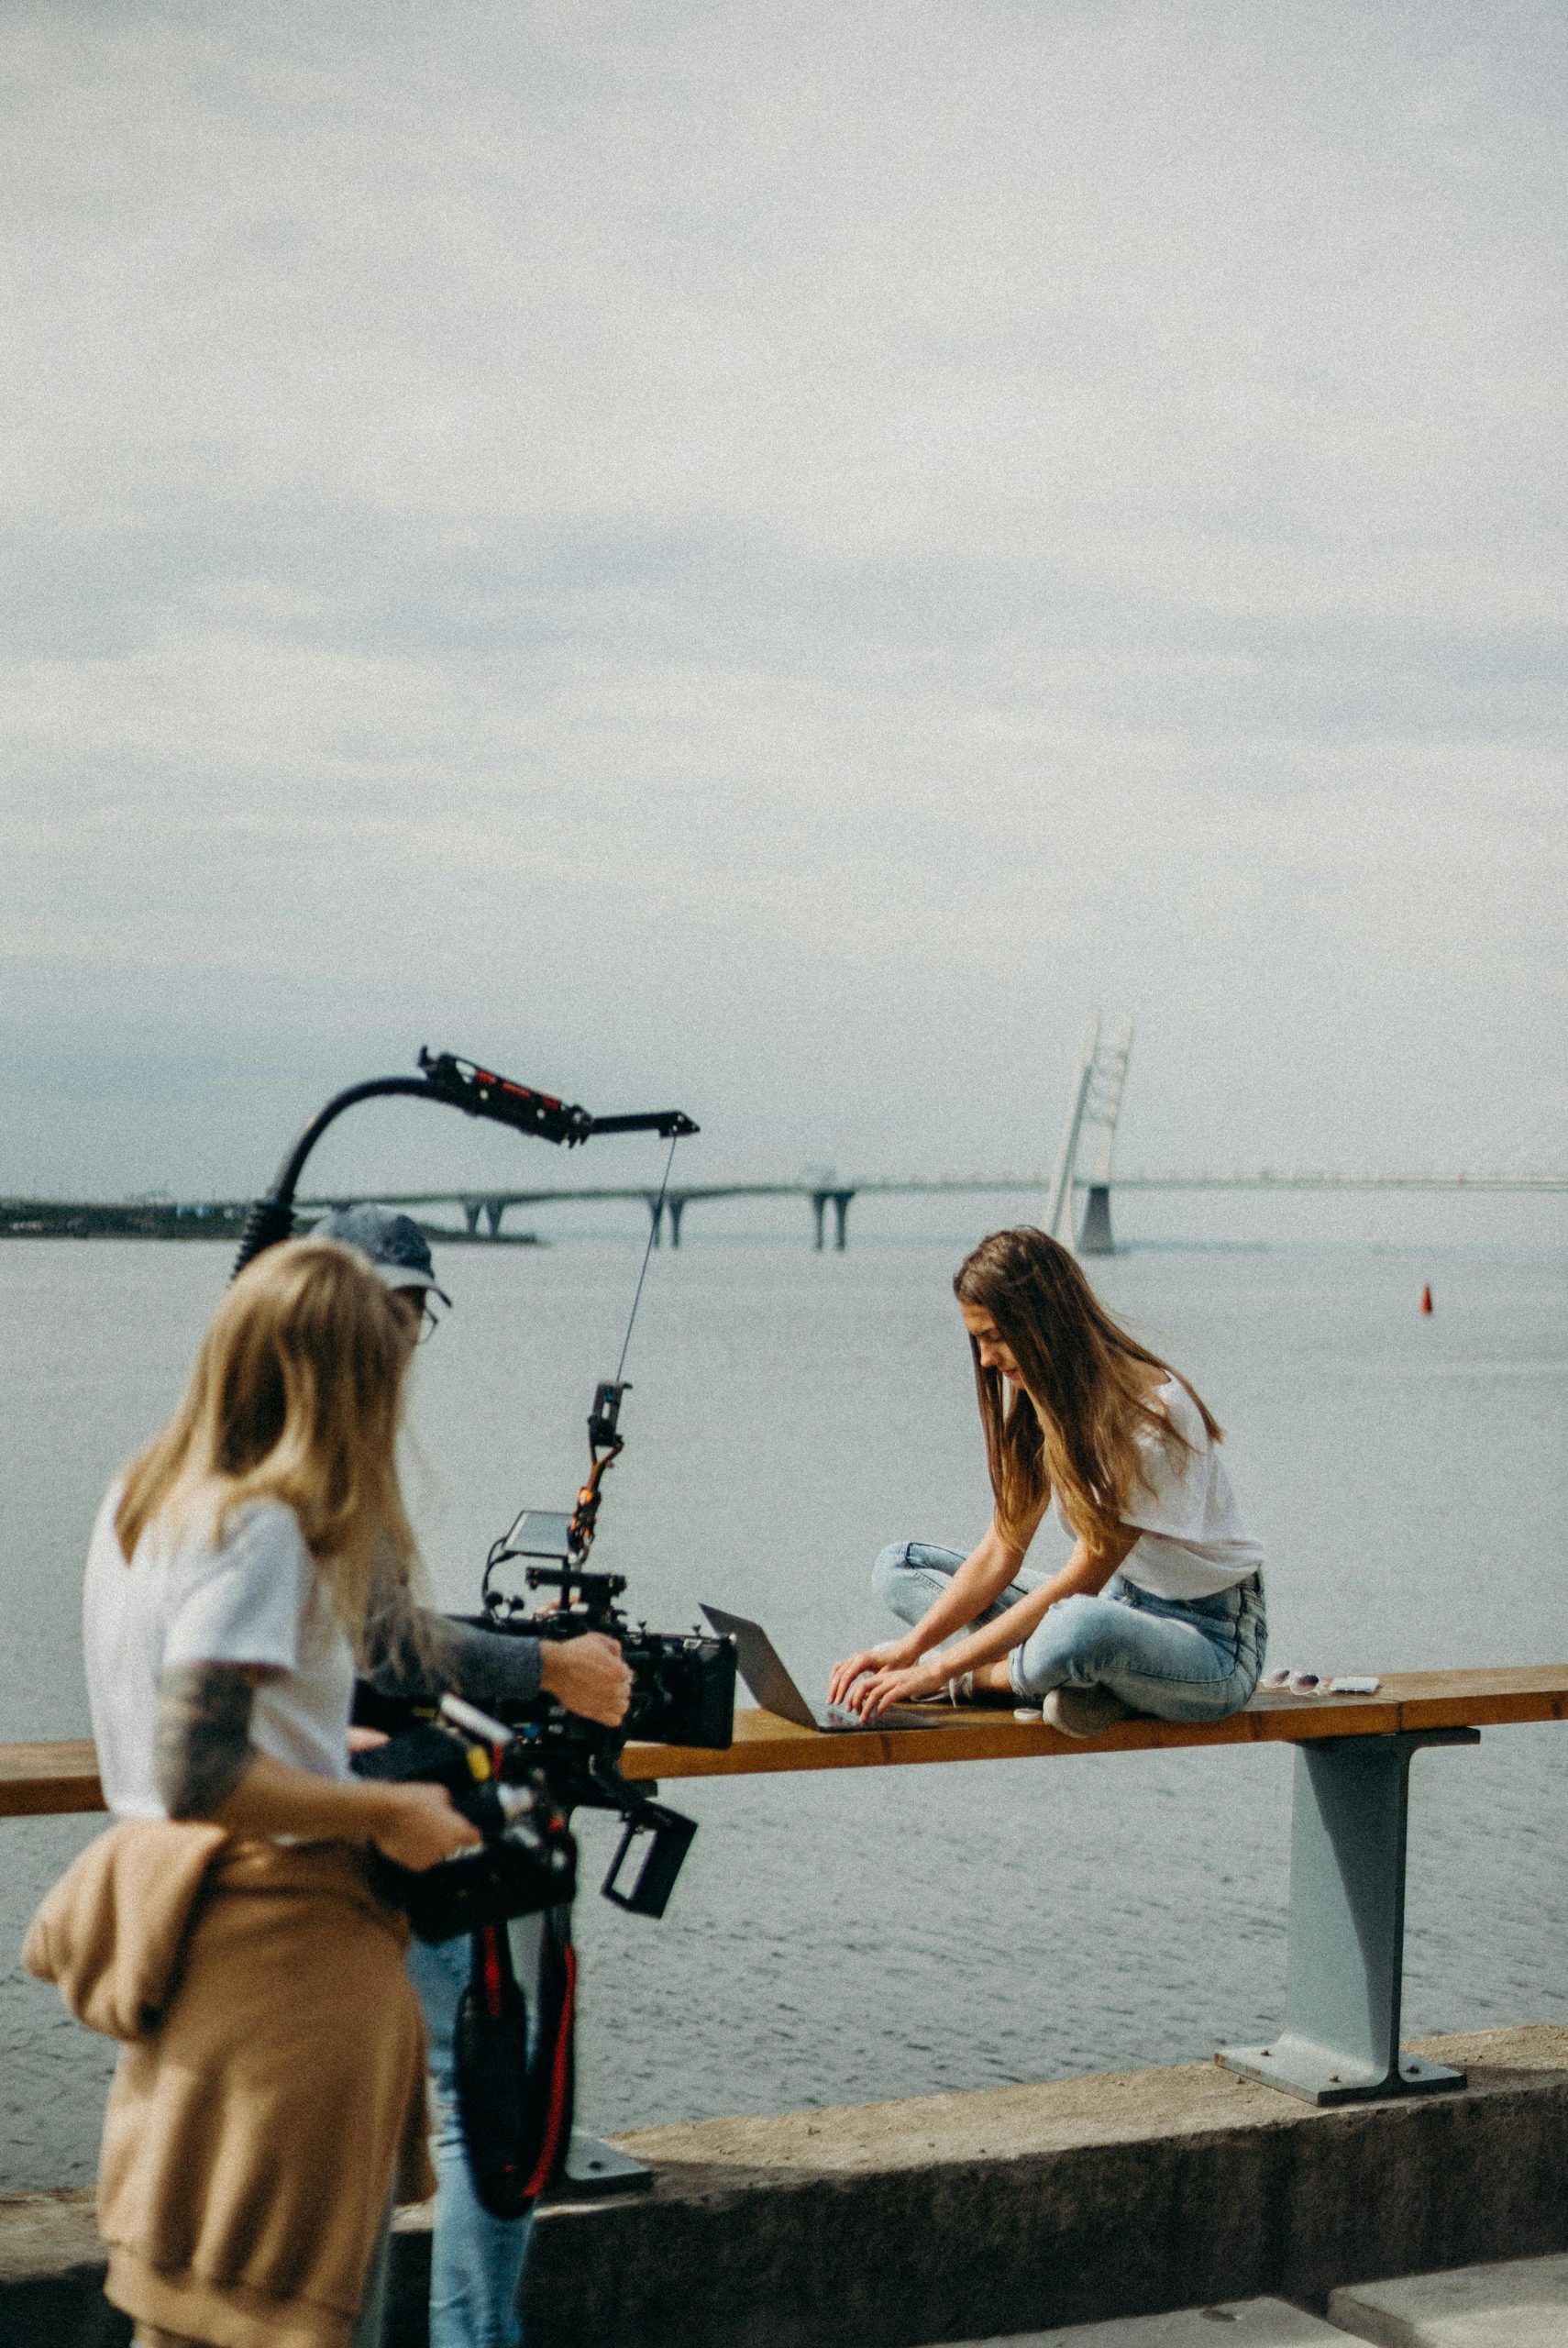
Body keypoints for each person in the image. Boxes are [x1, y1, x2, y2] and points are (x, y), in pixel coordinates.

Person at [56, 1236, 485, 2348]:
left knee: (182, 2310)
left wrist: (312, 1741)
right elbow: (200, 1764)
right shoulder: (264, 1524)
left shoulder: (140, 1502)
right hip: (284, 1957)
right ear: (338, 1378)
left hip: (179, 1939)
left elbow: (174, 1743)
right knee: (291, 2317)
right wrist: (392, 1810)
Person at [313, 1204, 630, 2348]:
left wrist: (518, 1654)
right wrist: (548, 1664)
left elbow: (377, 1631)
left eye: (411, 1316)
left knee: (426, 2113)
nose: (399, 1340)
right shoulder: (333, 1454)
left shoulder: (286, 1441)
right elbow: (386, 1651)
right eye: (388, 1312)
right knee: (485, 2103)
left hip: (329, 1815)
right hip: (370, 1817)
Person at [829, 1226, 1266, 1734]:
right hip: (1118, 1605)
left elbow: (1081, 1581)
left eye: (994, 1337)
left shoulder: (1151, 1416)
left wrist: (939, 1670)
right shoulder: (1046, 1397)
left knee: (1078, 1628)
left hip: (1210, 1644)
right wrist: (911, 1646)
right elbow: (1001, 1551)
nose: (986, 1359)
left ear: (1043, 1322)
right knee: (898, 1565)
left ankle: (996, 1678)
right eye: (978, 1341)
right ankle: (1085, 1684)